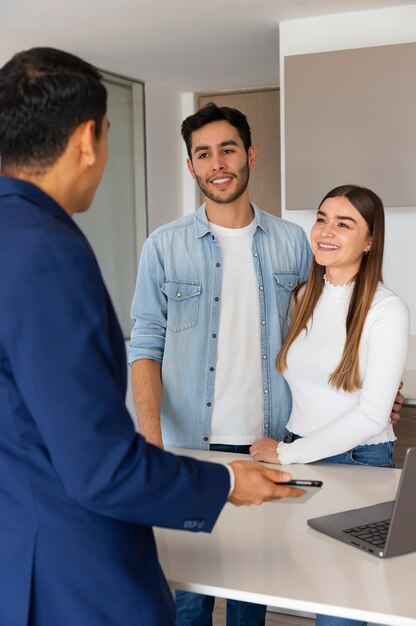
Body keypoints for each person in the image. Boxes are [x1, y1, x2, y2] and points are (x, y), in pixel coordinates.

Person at [0, 49, 304, 626]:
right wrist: (218, 480)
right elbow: (99, 464)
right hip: (74, 577)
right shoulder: (48, 251)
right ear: (89, 139)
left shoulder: (293, 243)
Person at [129, 102, 312, 625]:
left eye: (227, 149)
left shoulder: (292, 243)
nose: (218, 163)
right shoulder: (164, 246)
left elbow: (317, 340)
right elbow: (145, 344)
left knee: (252, 594)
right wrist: (150, 439)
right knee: (189, 600)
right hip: (189, 447)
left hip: (267, 443)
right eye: (203, 154)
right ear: (191, 166)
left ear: (249, 155)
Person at [250, 184, 409, 626]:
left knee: (344, 608)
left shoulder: (386, 309)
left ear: (370, 240)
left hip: (358, 462)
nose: (326, 231)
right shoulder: (304, 298)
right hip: (307, 460)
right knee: (322, 590)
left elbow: (372, 416)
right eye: (322, 218)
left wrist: (285, 453)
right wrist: (292, 451)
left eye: (345, 223)